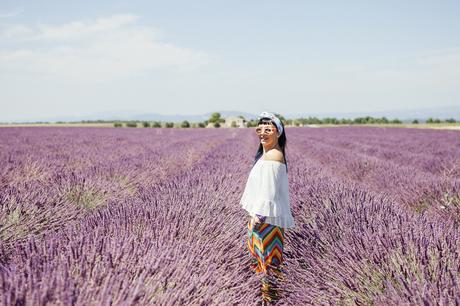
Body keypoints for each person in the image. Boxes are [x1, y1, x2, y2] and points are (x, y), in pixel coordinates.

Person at [239, 111, 295, 303]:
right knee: (261, 265)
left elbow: (269, 192)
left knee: (268, 266)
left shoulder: (273, 157)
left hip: (265, 222)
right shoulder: (267, 155)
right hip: (261, 220)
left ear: (278, 133)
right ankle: (264, 300)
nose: (262, 133)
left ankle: (270, 302)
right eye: (259, 129)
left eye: (268, 129)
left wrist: (258, 217)